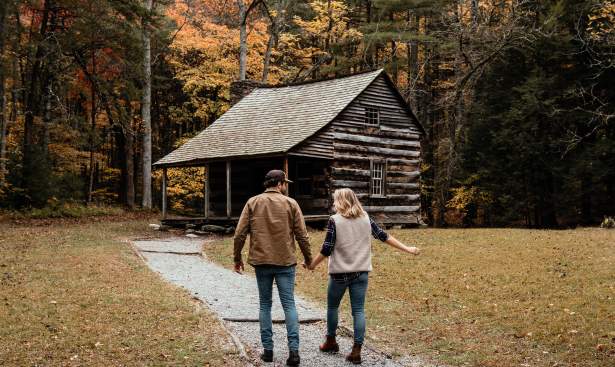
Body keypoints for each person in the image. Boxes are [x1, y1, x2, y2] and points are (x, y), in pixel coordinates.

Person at [306, 188, 420, 365]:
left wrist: (312, 264)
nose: (333, 203)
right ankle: (356, 350)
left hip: (339, 275)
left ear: (341, 201)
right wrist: (408, 249)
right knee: (358, 311)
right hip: (361, 273)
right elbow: (384, 236)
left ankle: (331, 341)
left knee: (332, 308)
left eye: (335, 200)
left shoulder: (335, 221)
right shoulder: (365, 218)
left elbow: (327, 249)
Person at [233, 169, 313, 366]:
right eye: (285, 183)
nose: (286, 186)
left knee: (265, 305)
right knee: (289, 304)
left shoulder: (253, 202)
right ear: (279, 184)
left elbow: (239, 234)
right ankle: (294, 352)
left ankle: (268, 351)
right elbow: (302, 235)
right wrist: (308, 258)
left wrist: (237, 258)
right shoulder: (291, 203)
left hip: (261, 262)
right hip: (286, 261)